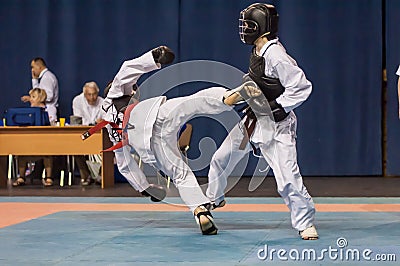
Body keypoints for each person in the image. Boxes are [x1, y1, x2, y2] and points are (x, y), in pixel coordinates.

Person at [94, 46, 259, 235]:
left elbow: (125, 164)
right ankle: (226, 97)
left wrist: (144, 188)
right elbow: (126, 70)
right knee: (194, 103)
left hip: (149, 147)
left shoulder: (109, 126)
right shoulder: (113, 95)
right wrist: (153, 57)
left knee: (181, 175)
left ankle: (200, 211)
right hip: (154, 115)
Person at [205, 3, 318, 240]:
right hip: (253, 119)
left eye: (248, 25)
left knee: (287, 179)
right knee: (220, 159)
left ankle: (305, 222)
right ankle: (214, 199)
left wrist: (278, 107)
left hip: (277, 126)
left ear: (262, 28)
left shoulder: (276, 56)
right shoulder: (259, 51)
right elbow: (257, 83)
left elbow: (301, 87)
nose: (244, 29)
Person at [13, 88, 55, 186]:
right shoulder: (28, 111)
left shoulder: (50, 109)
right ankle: (21, 177)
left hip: (44, 141)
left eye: (33, 97)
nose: (30, 99)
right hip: (29, 141)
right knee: (21, 152)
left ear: (40, 98)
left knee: (47, 153)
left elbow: (51, 123)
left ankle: (48, 177)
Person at [72, 81, 105, 185]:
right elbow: (78, 119)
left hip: (99, 133)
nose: (92, 97)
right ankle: (85, 176)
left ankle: (101, 175)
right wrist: (94, 123)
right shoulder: (77, 101)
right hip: (84, 132)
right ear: (84, 94)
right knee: (75, 147)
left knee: (107, 147)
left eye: (94, 94)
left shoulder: (103, 102)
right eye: (89, 94)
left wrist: (101, 122)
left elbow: (106, 119)